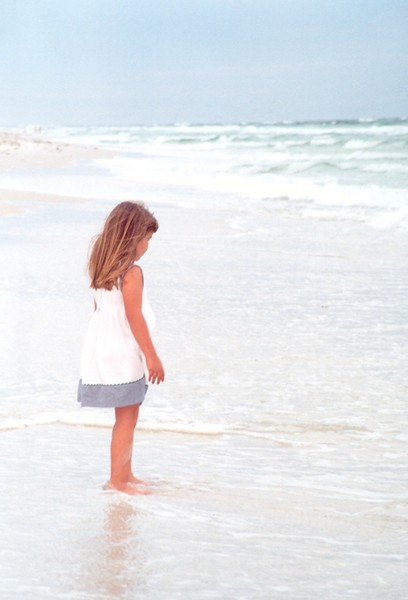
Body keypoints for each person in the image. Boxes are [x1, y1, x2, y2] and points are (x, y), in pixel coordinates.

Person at [77, 201, 165, 495]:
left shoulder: (101, 266)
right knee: (127, 418)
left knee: (125, 415)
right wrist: (152, 356)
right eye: (147, 239)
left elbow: (98, 307)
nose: (147, 247)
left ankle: (125, 473)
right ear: (133, 238)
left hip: (104, 347)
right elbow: (133, 316)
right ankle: (118, 480)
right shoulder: (132, 273)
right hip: (125, 349)